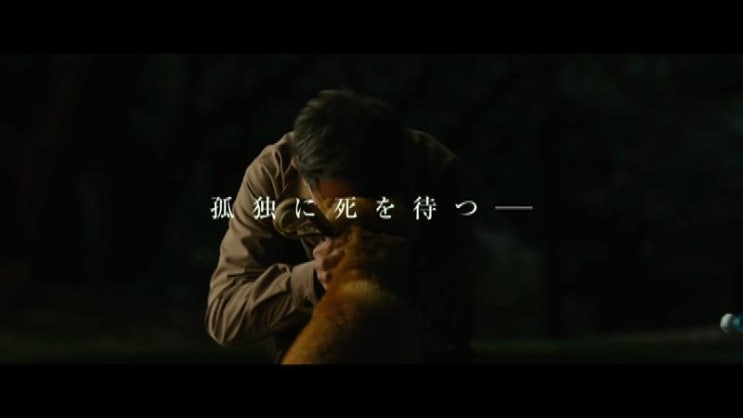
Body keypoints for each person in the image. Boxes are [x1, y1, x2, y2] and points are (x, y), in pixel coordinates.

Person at [205, 89, 479, 363]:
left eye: (366, 203)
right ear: (305, 177)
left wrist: (390, 269)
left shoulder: (434, 169)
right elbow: (225, 315)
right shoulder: (273, 172)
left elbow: (457, 315)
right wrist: (312, 280)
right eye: (336, 205)